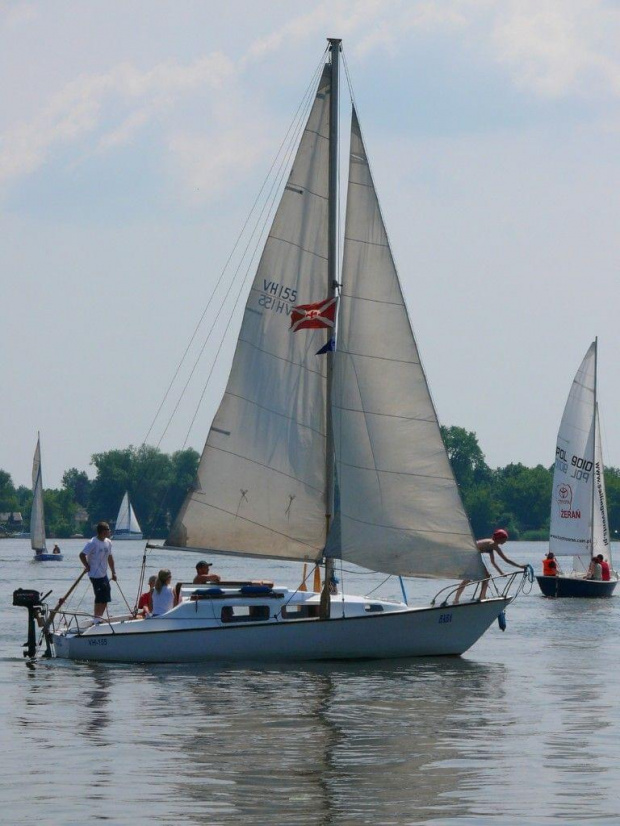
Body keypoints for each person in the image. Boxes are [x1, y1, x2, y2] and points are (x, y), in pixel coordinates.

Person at [455, 529, 525, 603]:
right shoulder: (493, 544)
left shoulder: (492, 544)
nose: (505, 541)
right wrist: (520, 566)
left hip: (471, 556)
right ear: (499, 538)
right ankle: (482, 597)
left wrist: (501, 573)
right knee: (484, 576)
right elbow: (506, 560)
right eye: (504, 540)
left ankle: (457, 599)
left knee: (470, 579)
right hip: (470, 556)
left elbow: (493, 562)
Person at [79, 521, 117, 620]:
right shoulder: (92, 542)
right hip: (94, 575)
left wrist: (113, 572)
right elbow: (82, 555)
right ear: (103, 531)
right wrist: (86, 565)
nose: (110, 531)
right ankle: (97, 618)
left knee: (106, 597)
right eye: (108, 529)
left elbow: (110, 557)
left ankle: (99, 617)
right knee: (100, 597)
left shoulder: (108, 542)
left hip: (104, 574)